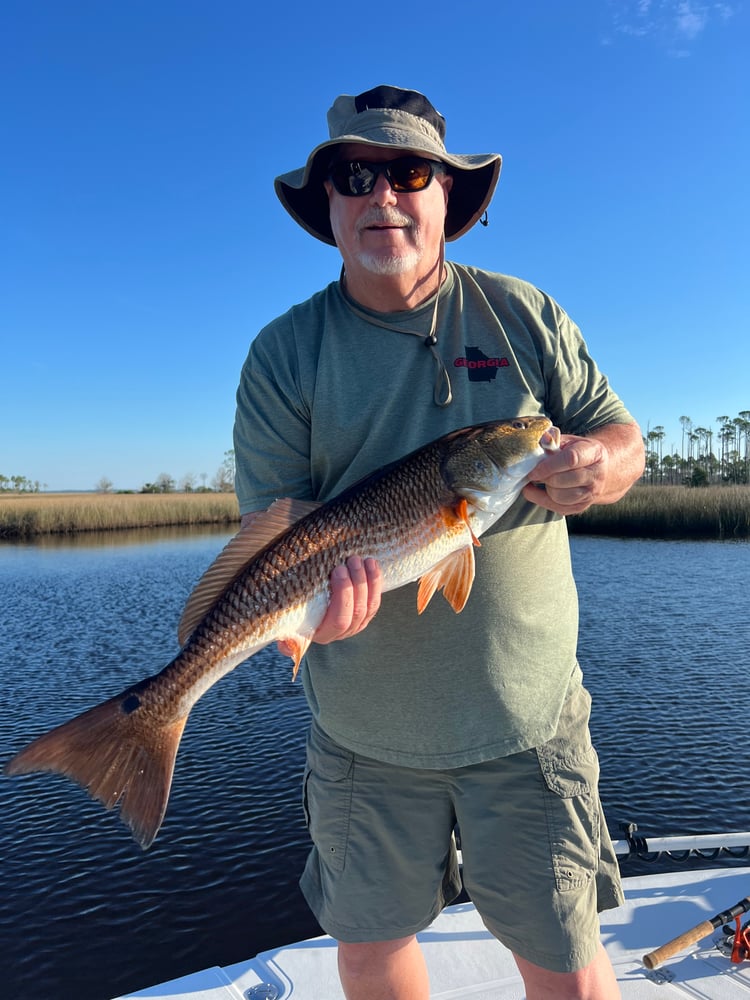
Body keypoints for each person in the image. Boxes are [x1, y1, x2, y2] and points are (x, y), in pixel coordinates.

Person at [233, 85, 645, 1000]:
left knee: (568, 959)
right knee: (372, 947)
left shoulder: (524, 314)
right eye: (355, 175)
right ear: (330, 203)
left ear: (447, 196)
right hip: (361, 739)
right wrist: (303, 618)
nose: (383, 194)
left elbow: (620, 435)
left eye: (410, 172)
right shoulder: (283, 354)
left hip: (527, 725)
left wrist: (599, 466)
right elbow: (271, 529)